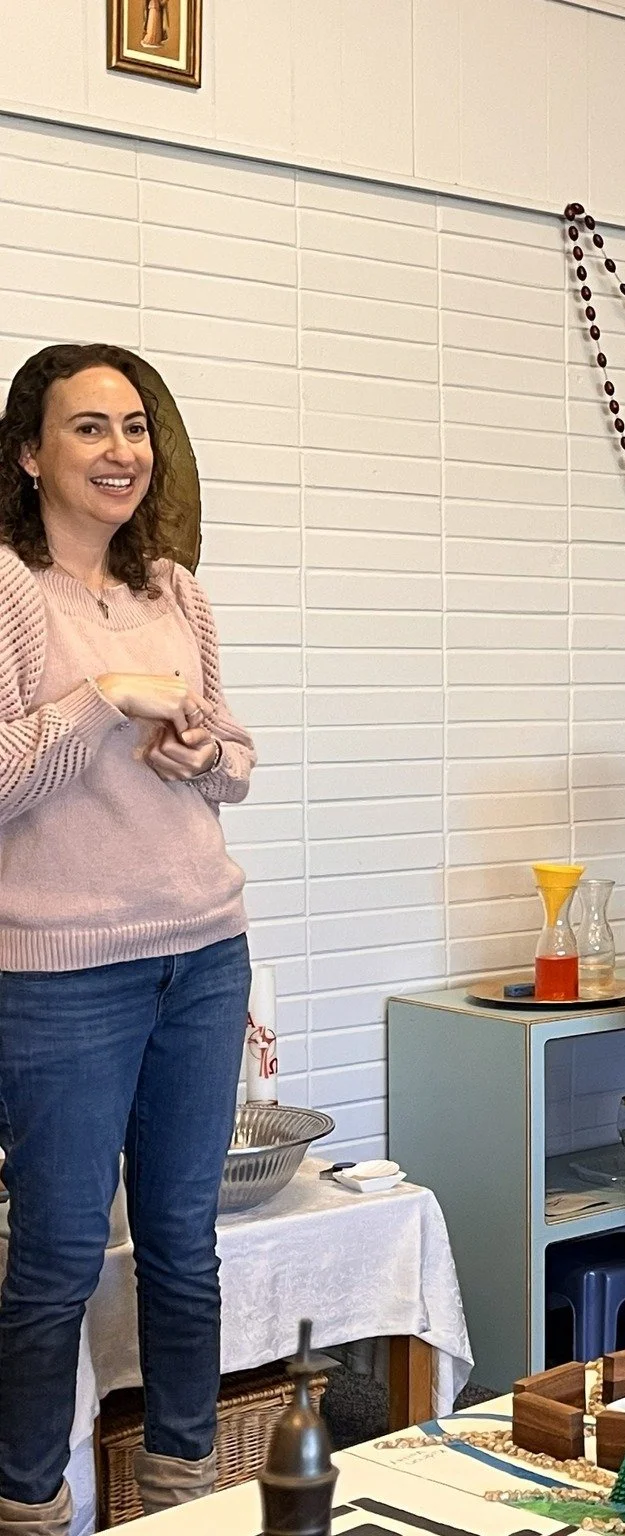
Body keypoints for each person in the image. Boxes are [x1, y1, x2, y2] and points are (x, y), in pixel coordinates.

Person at [0, 344, 257, 1533]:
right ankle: (28, 1509)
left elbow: (234, 759)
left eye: (136, 426)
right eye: (89, 427)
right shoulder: (10, 589)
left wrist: (203, 754)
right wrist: (104, 700)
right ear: (29, 452)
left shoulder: (175, 590)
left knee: (183, 1250)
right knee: (55, 1263)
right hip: (61, 975)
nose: (121, 450)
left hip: (203, 952)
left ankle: (182, 1500)